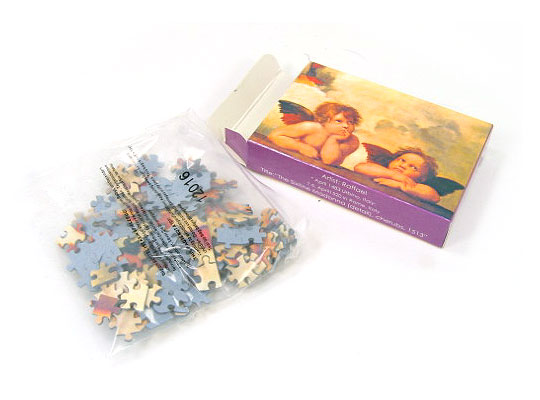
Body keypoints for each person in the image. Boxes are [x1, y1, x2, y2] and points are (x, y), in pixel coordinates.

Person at [268, 102, 360, 165]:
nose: (346, 126)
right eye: (338, 121)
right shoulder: (311, 127)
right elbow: (274, 135)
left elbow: (328, 161)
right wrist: (301, 147)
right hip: (289, 160)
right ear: (324, 121)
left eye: (350, 122)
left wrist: (333, 139)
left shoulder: (352, 141)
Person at [354, 148, 441, 203]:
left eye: (413, 167)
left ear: (421, 179)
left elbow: (434, 197)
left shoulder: (414, 185)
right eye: (402, 160)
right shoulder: (380, 171)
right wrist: (393, 175)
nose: (403, 166)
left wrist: (400, 186)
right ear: (392, 161)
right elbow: (360, 167)